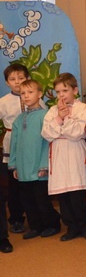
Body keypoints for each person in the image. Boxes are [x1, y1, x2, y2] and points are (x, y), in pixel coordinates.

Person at [42, 73, 86, 243]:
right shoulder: (52, 110)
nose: (61, 95)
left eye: (65, 90)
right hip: (59, 154)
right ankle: (71, 226)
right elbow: (46, 133)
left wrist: (66, 118)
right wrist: (59, 117)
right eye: (58, 91)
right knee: (64, 195)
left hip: (75, 153)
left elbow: (78, 133)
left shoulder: (82, 108)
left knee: (77, 195)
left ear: (75, 91)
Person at [9, 79, 60, 239]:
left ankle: (52, 223)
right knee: (27, 200)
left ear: (39, 94)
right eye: (23, 93)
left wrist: (44, 165)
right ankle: (36, 226)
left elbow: (48, 142)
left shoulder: (45, 116)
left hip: (39, 167)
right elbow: (14, 143)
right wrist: (14, 165)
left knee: (41, 199)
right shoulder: (19, 119)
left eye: (30, 92)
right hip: (23, 167)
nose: (26, 96)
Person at [0, 62, 29, 235]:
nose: (17, 82)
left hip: (31, 145)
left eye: (21, 78)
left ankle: (35, 216)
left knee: (32, 183)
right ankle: (16, 218)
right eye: (12, 79)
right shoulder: (3, 102)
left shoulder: (35, 98)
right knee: (14, 184)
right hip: (12, 144)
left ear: (28, 78)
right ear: (7, 82)